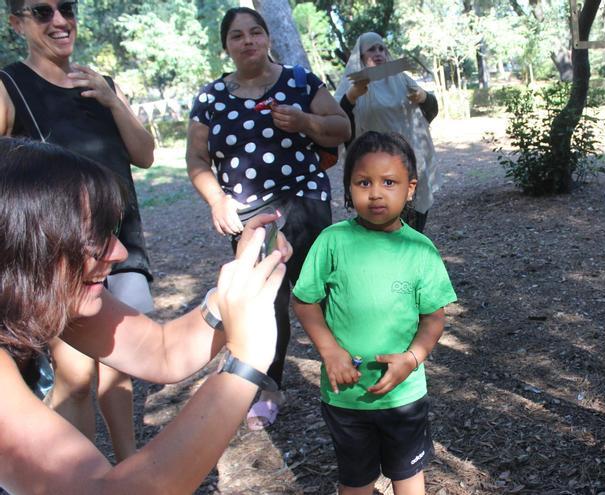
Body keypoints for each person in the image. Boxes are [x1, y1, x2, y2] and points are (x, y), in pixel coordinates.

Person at [0, 137, 291, 493]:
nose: (120, 252)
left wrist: (231, 292)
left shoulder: (50, 287)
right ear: (23, 251)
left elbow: (163, 351)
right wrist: (244, 364)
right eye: (93, 240)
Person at [1, 0, 156, 461]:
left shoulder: (101, 84)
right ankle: (78, 477)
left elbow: (145, 154)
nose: (59, 21)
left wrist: (112, 100)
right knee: (74, 376)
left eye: (66, 9)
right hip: (60, 256)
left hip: (120, 244)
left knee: (119, 366)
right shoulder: (11, 85)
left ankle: (129, 470)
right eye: (42, 12)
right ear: (17, 23)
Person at [186, 7, 350, 430]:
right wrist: (218, 201)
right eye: (237, 35)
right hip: (249, 213)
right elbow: (197, 159)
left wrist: (304, 121)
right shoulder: (210, 99)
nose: (248, 41)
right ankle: (268, 386)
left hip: (305, 198)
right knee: (264, 301)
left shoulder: (299, 81)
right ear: (226, 46)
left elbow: (340, 127)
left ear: (267, 38)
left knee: (321, 287)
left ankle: (347, 367)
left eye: (255, 32)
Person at [292, 131, 457, 495]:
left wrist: (412, 359)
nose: (376, 192)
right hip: (346, 396)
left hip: (404, 395)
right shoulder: (333, 241)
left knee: (408, 476)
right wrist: (330, 351)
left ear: (410, 188)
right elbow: (304, 301)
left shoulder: (421, 251)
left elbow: (433, 317)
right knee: (355, 480)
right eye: (364, 182)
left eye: (389, 182)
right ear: (348, 188)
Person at [334, 32, 439, 233]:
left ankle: (412, 256)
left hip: (410, 160)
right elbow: (339, 122)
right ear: (361, 56)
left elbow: (430, 111)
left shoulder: (401, 79)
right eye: (372, 49)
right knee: (382, 218)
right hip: (375, 167)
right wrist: (352, 96)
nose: (378, 53)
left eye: (382, 48)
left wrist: (424, 97)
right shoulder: (352, 85)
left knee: (413, 219)